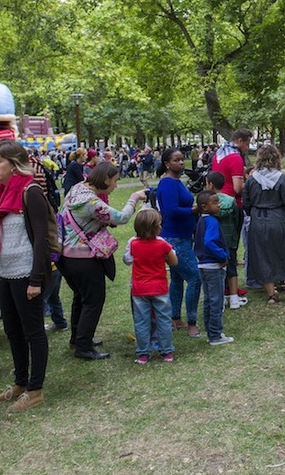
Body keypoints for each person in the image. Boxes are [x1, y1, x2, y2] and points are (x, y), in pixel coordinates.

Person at [0, 140, 52, 412]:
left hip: (25, 273)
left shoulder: (30, 191)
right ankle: (20, 382)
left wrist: (36, 279)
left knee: (33, 331)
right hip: (4, 271)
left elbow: (41, 238)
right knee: (12, 329)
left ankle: (35, 390)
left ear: (14, 163)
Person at [60, 162, 146, 360]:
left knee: (80, 298)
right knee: (93, 301)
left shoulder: (77, 189)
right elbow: (120, 217)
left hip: (67, 256)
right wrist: (134, 198)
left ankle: (79, 338)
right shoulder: (91, 202)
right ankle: (84, 347)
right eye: (115, 181)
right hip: (83, 258)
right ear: (106, 179)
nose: (115, 186)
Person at [243, 145, 285, 305]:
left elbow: (246, 203)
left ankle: (272, 294)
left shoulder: (252, 179)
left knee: (262, 255)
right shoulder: (281, 179)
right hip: (278, 219)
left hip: (258, 221)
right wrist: (283, 216)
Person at [155, 148, 202, 337]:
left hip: (183, 236)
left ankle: (175, 318)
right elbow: (170, 210)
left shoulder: (177, 181)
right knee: (194, 277)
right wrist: (194, 210)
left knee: (176, 278)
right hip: (174, 238)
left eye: (182, 160)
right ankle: (192, 323)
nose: (181, 163)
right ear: (167, 163)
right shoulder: (167, 184)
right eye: (176, 160)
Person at [123, 208, 177, 364]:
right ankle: (166, 351)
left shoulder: (133, 243)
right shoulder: (162, 244)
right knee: (163, 320)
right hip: (159, 288)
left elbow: (127, 260)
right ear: (156, 227)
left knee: (141, 322)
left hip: (139, 289)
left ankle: (143, 353)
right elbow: (174, 262)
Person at [204, 171, 247, 309]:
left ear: (210, 184)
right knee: (232, 268)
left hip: (214, 242)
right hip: (230, 239)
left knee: (217, 270)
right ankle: (234, 298)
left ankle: (220, 298)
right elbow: (237, 219)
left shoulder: (206, 203)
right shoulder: (231, 201)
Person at [194, 190, 233, 346]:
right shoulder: (211, 222)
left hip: (203, 264)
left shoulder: (201, 221)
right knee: (217, 300)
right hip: (213, 265)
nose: (219, 205)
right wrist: (222, 255)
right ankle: (215, 335)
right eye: (215, 203)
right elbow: (209, 242)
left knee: (209, 300)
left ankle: (211, 332)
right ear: (204, 207)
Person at [211, 128, 252, 208]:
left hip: (218, 200)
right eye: (247, 144)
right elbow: (238, 188)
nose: (247, 148)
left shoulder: (218, 154)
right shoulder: (235, 157)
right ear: (240, 141)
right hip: (231, 203)